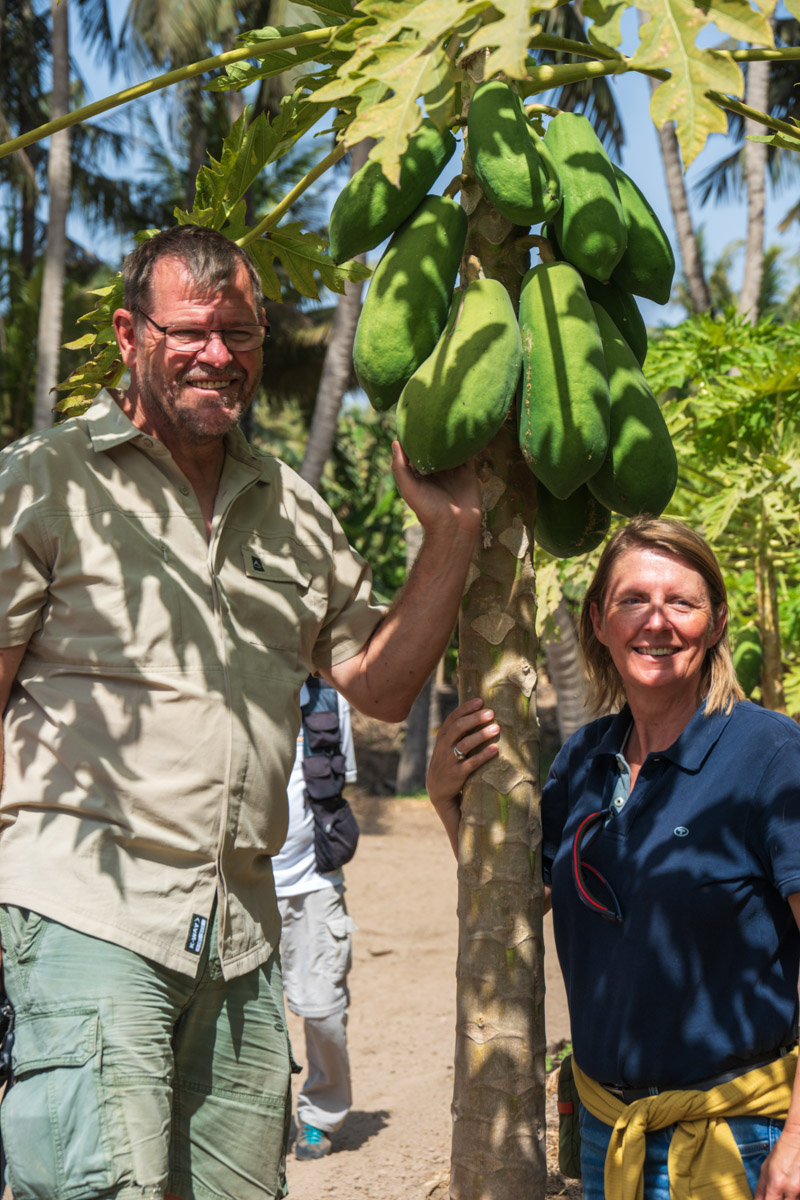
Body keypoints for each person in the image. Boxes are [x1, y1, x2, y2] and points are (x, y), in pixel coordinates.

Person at [0, 224, 481, 1200]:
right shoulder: (43, 480)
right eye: (191, 331)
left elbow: (380, 684)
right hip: (85, 915)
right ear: (130, 336)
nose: (219, 354)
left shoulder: (290, 508)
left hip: (241, 941)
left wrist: (452, 532)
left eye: (242, 333)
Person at [427, 517, 800, 1200]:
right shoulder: (584, 758)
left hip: (737, 1136)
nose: (657, 622)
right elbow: (525, 900)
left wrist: (799, 1140)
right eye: (634, 600)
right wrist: (445, 801)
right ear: (598, 621)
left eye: (681, 602)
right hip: (607, 1131)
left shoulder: (771, 754)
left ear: (716, 622)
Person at [274, 675, 357, 1161]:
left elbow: (338, 785)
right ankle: (261, 1122)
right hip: (243, 883)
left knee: (324, 1011)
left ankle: (320, 1115)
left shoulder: (329, 700)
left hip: (314, 885)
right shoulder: (231, 686)